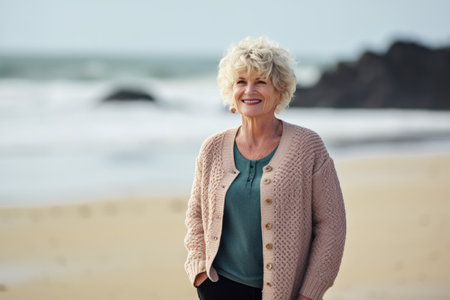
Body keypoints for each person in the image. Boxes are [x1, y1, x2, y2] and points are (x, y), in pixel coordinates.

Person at [184, 37, 346, 300]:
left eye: (260, 82)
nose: (250, 90)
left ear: (279, 91)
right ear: (231, 92)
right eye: (241, 82)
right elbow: (196, 215)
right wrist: (200, 271)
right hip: (217, 287)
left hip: (285, 293)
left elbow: (332, 226)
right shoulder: (212, 149)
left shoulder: (308, 148)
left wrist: (310, 293)